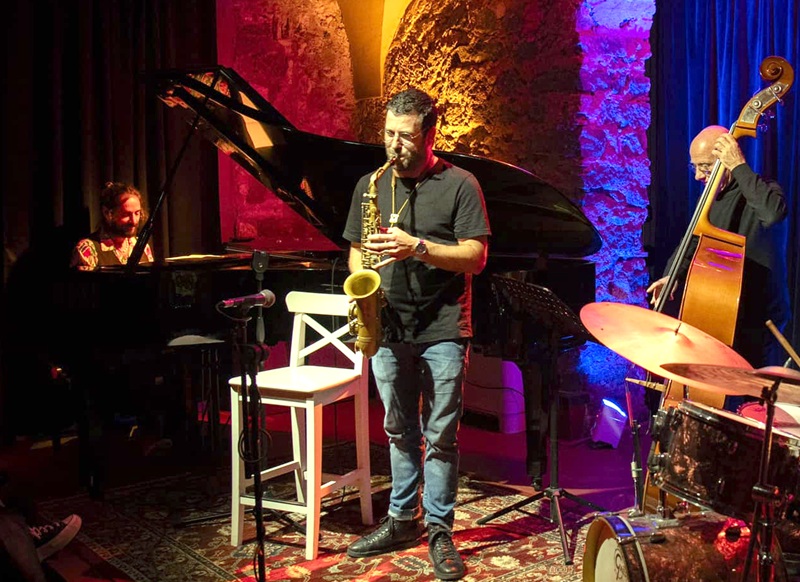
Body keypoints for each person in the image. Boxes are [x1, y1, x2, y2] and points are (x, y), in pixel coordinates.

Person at [342, 88, 490, 581]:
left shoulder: (461, 184)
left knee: (440, 435)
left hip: (444, 326)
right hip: (389, 325)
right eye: (387, 134)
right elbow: (358, 248)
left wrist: (418, 248)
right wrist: (363, 284)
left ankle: (441, 530)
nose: (393, 146)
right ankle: (402, 519)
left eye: (404, 137)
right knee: (398, 430)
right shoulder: (371, 184)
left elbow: (475, 256)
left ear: (430, 135)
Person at [647, 125, 791, 372]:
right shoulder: (710, 200)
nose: (698, 176)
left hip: (760, 319)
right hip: (722, 313)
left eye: (705, 167)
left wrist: (738, 165)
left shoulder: (763, 188)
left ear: (727, 159)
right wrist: (672, 275)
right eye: (695, 167)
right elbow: (692, 241)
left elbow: (772, 215)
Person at [70, 181, 153, 271]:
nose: (134, 221)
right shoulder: (88, 250)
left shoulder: (142, 247)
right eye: (126, 214)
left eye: (137, 213)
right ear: (107, 213)